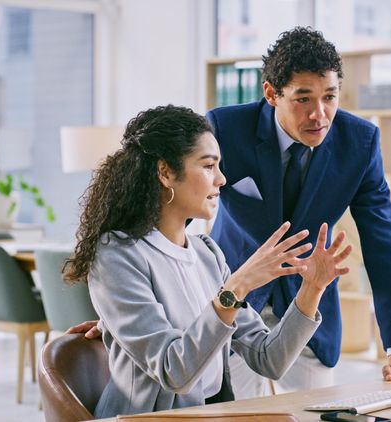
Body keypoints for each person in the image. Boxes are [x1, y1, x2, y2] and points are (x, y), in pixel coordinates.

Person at [63, 105, 353, 417]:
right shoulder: (117, 255)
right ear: (165, 172)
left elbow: (270, 359)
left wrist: (312, 289)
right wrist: (236, 288)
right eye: (208, 166)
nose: (221, 179)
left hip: (211, 413)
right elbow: (174, 371)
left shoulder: (207, 254)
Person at [206, 26, 391, 398]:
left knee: (316, 413)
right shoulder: (226, 129)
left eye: (330, 97)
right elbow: (175, 211)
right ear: (272, 93)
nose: (319, 114)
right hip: (237, 306)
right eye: (303, 99)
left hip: (309, 308)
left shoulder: (359, 142)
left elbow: (383, 240)